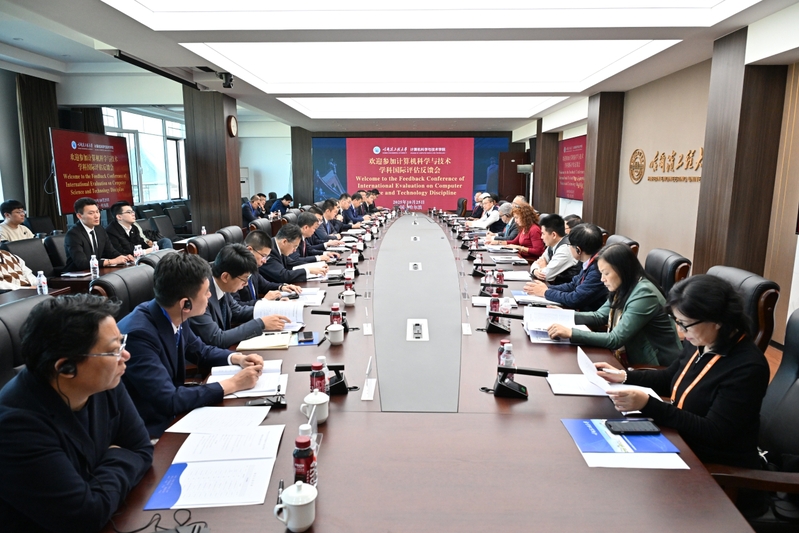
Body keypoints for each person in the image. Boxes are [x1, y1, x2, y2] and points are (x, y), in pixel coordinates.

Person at [0, 294, 153, 532]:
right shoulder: (16, 427)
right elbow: (85, 516)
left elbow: (141, 448)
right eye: (113, 350)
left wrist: (98, 479)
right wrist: (118, 454)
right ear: (66, 368)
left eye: (121, 344)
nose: (125, 356)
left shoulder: (104, 381)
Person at [597, 274, 769, 469]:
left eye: (685, 324)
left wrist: (648, 404)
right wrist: (625, 376)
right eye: (677, 322)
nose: (680, 332)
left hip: (714, 464)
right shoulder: (702, 341)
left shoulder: (747, 367)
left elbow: (714, 432)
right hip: (679, 439)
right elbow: (671, 377)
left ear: (717, 319)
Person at [119, 253, 264, 436]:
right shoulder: (139, 335)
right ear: (185, 303)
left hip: (176, 414)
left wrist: (237, 358)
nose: (210, 295)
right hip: (152, 430)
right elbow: (169, 399)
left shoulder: (173, 313)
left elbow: (201, 351)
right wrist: (233, 384)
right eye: (206, 292)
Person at [547, 243, 682, 366]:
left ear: (623, 270)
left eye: (606, 273)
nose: (602, 279)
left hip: (654, 366)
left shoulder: (644, 294)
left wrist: (571, 333)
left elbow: (615, 339)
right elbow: (599, 316)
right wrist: (565, 315)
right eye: (601, 273)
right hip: (631, 357)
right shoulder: (624, 286)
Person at [189, 244, 290, 348]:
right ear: (225, 277)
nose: (246, 284)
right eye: (244, 279)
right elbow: (217, 338)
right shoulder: (201, 297)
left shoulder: (222, 286)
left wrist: (274, 308)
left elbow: (238, 311)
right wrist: (260, 324)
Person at [524, 223, 608, 311]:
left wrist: (545, 292)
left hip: (586, 315)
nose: (568, 247)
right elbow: (573, 285)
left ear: (578, 250)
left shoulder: (597, 269)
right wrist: (546, 288)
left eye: (569, 245)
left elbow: (575, 299)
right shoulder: (588, 261)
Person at [64, 197, 133, 272]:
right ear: (79, 216)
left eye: (97, 212)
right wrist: (111, 261)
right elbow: (82, 263)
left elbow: (111, 252)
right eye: (91, 213)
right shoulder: (73, 234)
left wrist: (124, 257)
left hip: (96, 271)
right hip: (76, 274)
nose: (96, 216)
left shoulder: (99, 229)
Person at [234, 229, 301, 306]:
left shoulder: (253, 267)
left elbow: (265, 285)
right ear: (250, 250)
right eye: (263, 256)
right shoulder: (234, 272)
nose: (265, 261)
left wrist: (282, 287)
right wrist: (264, 301)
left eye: (266, 257)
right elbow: (237, 307)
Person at [260, 224, 327, 284]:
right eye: (294, 246)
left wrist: (317, 266)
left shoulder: (279, 248)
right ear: (284, 242)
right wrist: (308, 270)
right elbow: (283, 275)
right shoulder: (268, 251)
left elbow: (293, 263)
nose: (295, 250)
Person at [532, 214, 580, 285]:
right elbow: (538, 262)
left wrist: (544, 267)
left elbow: (546, 276)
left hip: (565, 288)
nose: (541, 237)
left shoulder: (565, 249)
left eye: (543, 234)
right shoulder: (552, 244)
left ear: (554, 235)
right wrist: (535, 270)